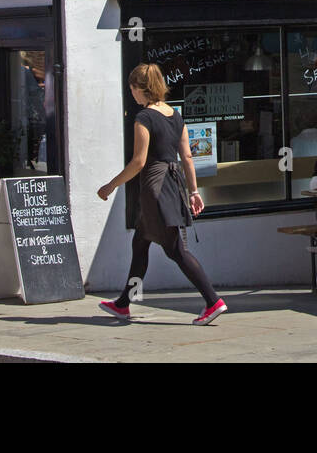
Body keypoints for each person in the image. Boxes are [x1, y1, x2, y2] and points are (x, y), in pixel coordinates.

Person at [97, 63, 226, 325]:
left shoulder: (144, 117)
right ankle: (123, 304)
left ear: (139, 88)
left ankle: (213, 301)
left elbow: (138, 161)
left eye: (132, 89)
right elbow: (187, 157)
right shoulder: (175, 116)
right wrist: (193, 191)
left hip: (154, 188)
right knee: (140, 243)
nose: (131, 94)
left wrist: (110, 185)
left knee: (175, 250)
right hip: (172, 184)